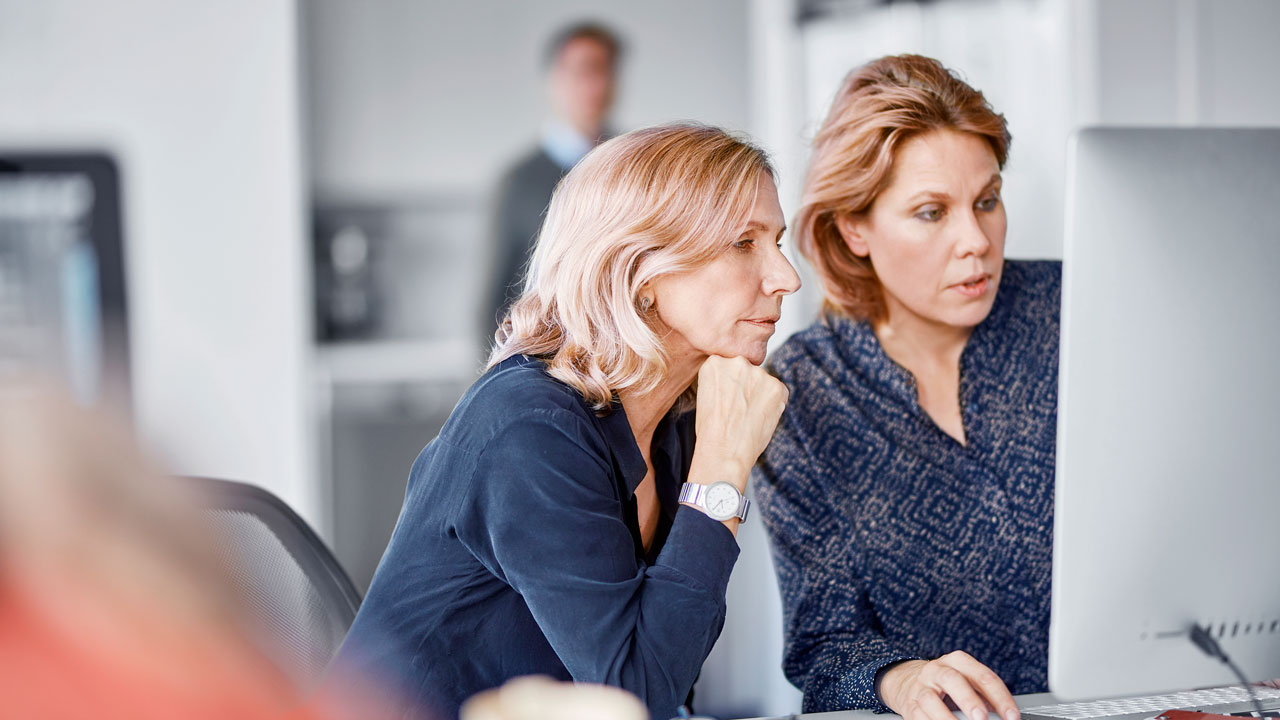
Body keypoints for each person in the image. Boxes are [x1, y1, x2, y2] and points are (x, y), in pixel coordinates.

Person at [335, 123, 801, 720]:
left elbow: (665, 674)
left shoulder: (673, 420)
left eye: (778, 243)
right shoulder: (531, 429)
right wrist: (722, 471)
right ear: (642, 271)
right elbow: (636, 695)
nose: (785, 278)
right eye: (744, 243)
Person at [754, 54, 1061, 720]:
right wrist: (899, 679)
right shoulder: (803, 393)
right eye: (931, 213)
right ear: (853, 228)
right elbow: (824, 646)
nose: (975, 241)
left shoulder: (1074, 314)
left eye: (987, 201)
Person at [488, 22, 622, 330]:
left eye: (604, 70)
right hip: (544, 357)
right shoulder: (518, 181)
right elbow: (497, 294)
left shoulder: (636, 167)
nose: (595, 85)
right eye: (582, 71)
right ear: (554, 81)